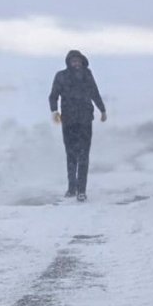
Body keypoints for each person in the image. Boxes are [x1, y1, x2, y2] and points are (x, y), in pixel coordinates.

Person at [48, 50, 106, 201]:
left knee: (84, 155)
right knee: (71, 155)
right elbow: (53, 95)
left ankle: (82, 190)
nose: (76, 64)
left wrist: (102, 109)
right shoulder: (61, 76)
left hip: (85, 120)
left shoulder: (87, 75)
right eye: (73, 61)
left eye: (78, 61)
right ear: (68, 62)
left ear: (82, 61)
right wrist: (54, 111)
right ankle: (71, 188)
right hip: (68, 120)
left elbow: (94, 92)